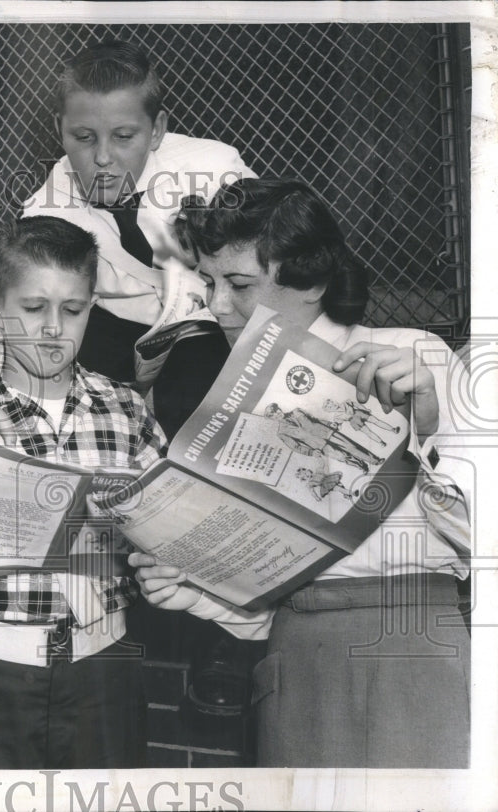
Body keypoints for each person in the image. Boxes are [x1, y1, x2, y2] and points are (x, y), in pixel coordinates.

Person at [0, 216, 261, 770]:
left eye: (73, 309)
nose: (52, 329)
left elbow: (176, 551)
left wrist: (170, 548)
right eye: (33, 308)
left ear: (92, 305)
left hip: (103, 674)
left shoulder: (128, 412)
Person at [131, 177, 471, 768]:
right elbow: (263, 606)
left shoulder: (418, 357)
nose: (216, 305)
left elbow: (478, 544)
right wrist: (192, 589)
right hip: (293, 656)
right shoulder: (225, 402)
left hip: (411, 647)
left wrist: (427, 436)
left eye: (239, 284)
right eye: (209, 282)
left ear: (311, 280)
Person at [0, 38, 255, 441]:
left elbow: (282, 266)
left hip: (204, 330)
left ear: (158, 129)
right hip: (112, 344)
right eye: (85, 137)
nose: (104, 158)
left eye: (124, 136)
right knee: (54, 335)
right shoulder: (47, 208)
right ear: (60, 129)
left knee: (201, 409)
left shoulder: (214, 170)